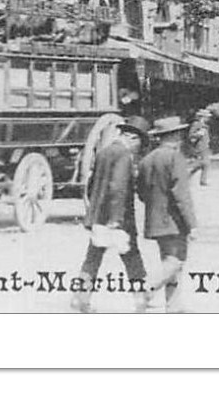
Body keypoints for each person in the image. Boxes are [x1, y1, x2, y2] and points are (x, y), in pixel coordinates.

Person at [72, 116, 152, 313]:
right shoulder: (124, 155)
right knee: (132, 258)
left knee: (92, 258)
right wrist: (115, 218)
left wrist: (95, 209)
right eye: (140, 143)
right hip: (118, 219)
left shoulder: (104, 152)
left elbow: (91, 185)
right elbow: (117, 188)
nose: (139, 148)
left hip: (99, 216)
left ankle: (80, 299)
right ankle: (141, 300)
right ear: (133, 138)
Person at [137, 115, 198, 312]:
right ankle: (149, 287)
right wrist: (192, 224)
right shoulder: (175, 158)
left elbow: (141, 192)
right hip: (174, 220)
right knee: (176, 260)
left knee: (168, 260)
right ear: (176, 135)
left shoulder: (147, 160)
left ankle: (173, 306)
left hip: (154, 219)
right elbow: (181, 194)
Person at [183, 109, 212, 187]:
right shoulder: (196, 124)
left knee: (204, 164)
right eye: (207, 117)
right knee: (204, 163)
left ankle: (193, 177)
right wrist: (198, 134)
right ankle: (199, 179)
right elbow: (191, 135)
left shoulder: (204, 125)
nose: (208, 118)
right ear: (202, 117)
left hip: (204, 146)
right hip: (199, 147)